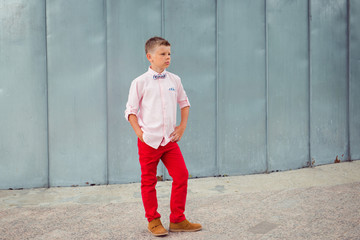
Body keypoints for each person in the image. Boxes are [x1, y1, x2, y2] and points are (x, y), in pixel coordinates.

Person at [124, 36, 202, 237]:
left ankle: (177, 219)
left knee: (181, 175)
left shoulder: (175, 80)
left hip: (169, 140)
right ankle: (153, 220)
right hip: (148, 141)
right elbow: (130, 111)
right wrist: (140, 134)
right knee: (148, 181)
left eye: (169, 53)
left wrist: (182, 126)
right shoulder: (139, 82)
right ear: (149, 57)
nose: (167, 57)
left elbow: (184, 104)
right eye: (162, 54)